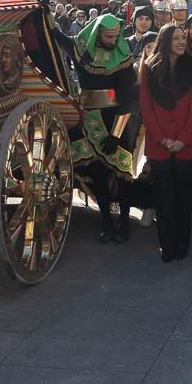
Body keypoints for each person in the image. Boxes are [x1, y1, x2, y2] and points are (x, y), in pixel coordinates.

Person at [55, 13, 138, 242]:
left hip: (116, 119)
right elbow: (57, 37)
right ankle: (105, 222)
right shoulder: (80, 48)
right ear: (97, 34)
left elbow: (127, 99)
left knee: (123, 173)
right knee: (97, 173)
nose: (112, 40)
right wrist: (44, 14)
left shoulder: (124, 57)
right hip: (88, 118)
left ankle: (124, 222)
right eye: (108, 36)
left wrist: (115, 135)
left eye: (115, 36)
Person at [139, 24, 192, 262]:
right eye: (175, 38)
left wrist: (182, 139)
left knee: (184, 197)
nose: (181, 42)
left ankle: (182, 244)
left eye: (183, 38)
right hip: (159, 145)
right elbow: (146, 107)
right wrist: (163, 138)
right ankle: (167, 245)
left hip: (185, 144)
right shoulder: (149, 67)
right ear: (165, 41)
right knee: (163, 198)